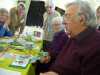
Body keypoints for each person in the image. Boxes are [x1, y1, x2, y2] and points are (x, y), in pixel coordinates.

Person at [40, 1, 100, 75]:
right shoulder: (74, 35)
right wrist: (50, 57)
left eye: (67, 16)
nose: (63, 22)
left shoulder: (96, 46)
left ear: (82, 19)